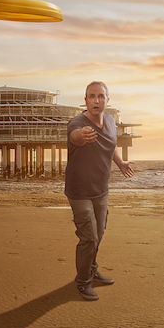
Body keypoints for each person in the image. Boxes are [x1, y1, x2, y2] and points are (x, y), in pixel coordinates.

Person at [64, 81, 134, 301]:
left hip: (101, 190)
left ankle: (91, 270)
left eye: (101, 96)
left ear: (107, 100)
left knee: (99, 234)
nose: (96, 100)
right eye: (92, 96)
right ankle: (83, 282)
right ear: (85, 100)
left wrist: (120, 163)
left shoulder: (111, 121)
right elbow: (75, 136)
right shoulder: (77, 123)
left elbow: (111, 144)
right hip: (80, 191)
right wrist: (82, 136)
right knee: (89, 237)